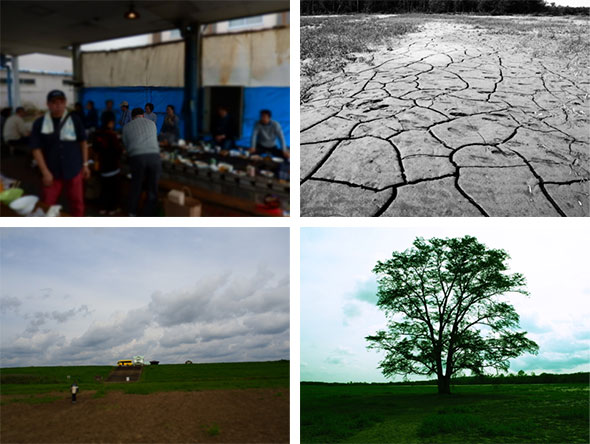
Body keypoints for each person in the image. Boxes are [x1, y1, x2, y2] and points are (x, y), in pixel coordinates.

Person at [30, 90, 90, 217]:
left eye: (61, 102)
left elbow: (83, 143)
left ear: (65, 103)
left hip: (74, 169)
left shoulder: (75, 120)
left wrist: (85, 165)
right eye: (54, 102)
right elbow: (36, 149)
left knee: (77, 203)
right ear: (48, 104)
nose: (58, 105)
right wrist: (45, 172)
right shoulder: (39, 123)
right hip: (51, 172)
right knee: (47, 205)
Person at [122, 107, 161, 216]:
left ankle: (132, 213)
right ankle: (149, 215)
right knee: (152, 188)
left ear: (132, 117)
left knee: (136, 186)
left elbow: (126, 145)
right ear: (143, 115)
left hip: (137, 158)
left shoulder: (126, 127)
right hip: (154, 157)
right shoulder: (152, 124)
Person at [93, 116, 123, 215]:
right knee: (113, 189)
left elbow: (95, 149)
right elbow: (118, 150)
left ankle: (102, 208)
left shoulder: (98, 134)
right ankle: (111, 209)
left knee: (104, 188)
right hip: (112, 166)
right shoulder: (112, 135)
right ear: (110, 123)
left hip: (102, 166)